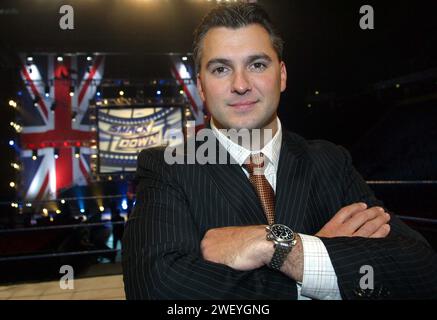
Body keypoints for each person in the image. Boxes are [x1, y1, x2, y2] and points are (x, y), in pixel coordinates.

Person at [122, 3, 437, 299]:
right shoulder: (168, 167)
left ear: (282, 75)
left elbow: (421, 269)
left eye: (257, 64)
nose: (241, 84)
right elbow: (156, 288)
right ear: (201, 87)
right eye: (220, 69)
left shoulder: (330, 160)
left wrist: (279, 246)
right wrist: (312, 269)